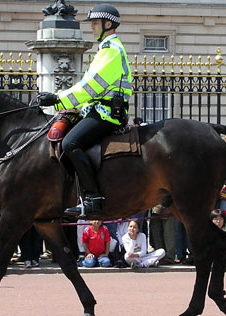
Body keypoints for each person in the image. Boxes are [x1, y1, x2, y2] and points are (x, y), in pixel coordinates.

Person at [37, 3, 132, 217]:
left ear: (109, 24)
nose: (92, 27)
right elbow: (85, 87)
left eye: (96, 23)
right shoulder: (104, 50)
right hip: (95, 109)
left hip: (107, 113)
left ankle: (93, 198)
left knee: (71, 143)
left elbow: (91, 87)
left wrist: (58, 100)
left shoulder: (112, 51)